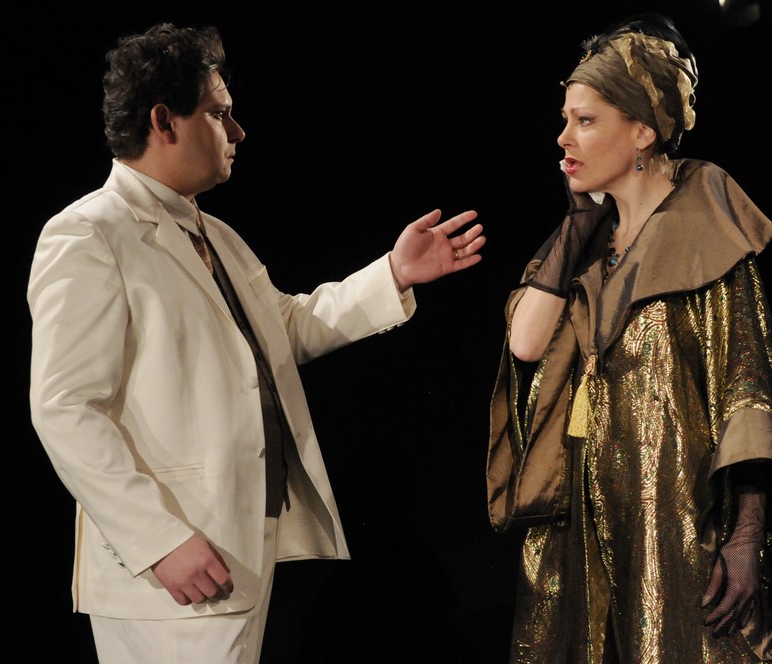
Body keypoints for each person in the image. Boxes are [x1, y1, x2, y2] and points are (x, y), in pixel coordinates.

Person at [27, 22, 484, 663]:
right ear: (164, 121)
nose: (238, 132)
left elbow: (280, 330)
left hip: (233, 544)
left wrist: (393, 275)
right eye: (219, 114)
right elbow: (65, 407)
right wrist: (158, 540)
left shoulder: (215, 234)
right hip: (170, 563)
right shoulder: (89, 234)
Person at [486, 13, 772, 663]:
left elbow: (749, 393)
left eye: (586, 121)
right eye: (565, 119)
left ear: (642, 131)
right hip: (586, 522)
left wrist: (745, 535)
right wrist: (576, 223)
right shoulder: (590, 240)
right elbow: (526, 345)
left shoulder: (704, 224)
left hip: (677, 518)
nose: (564, 138)